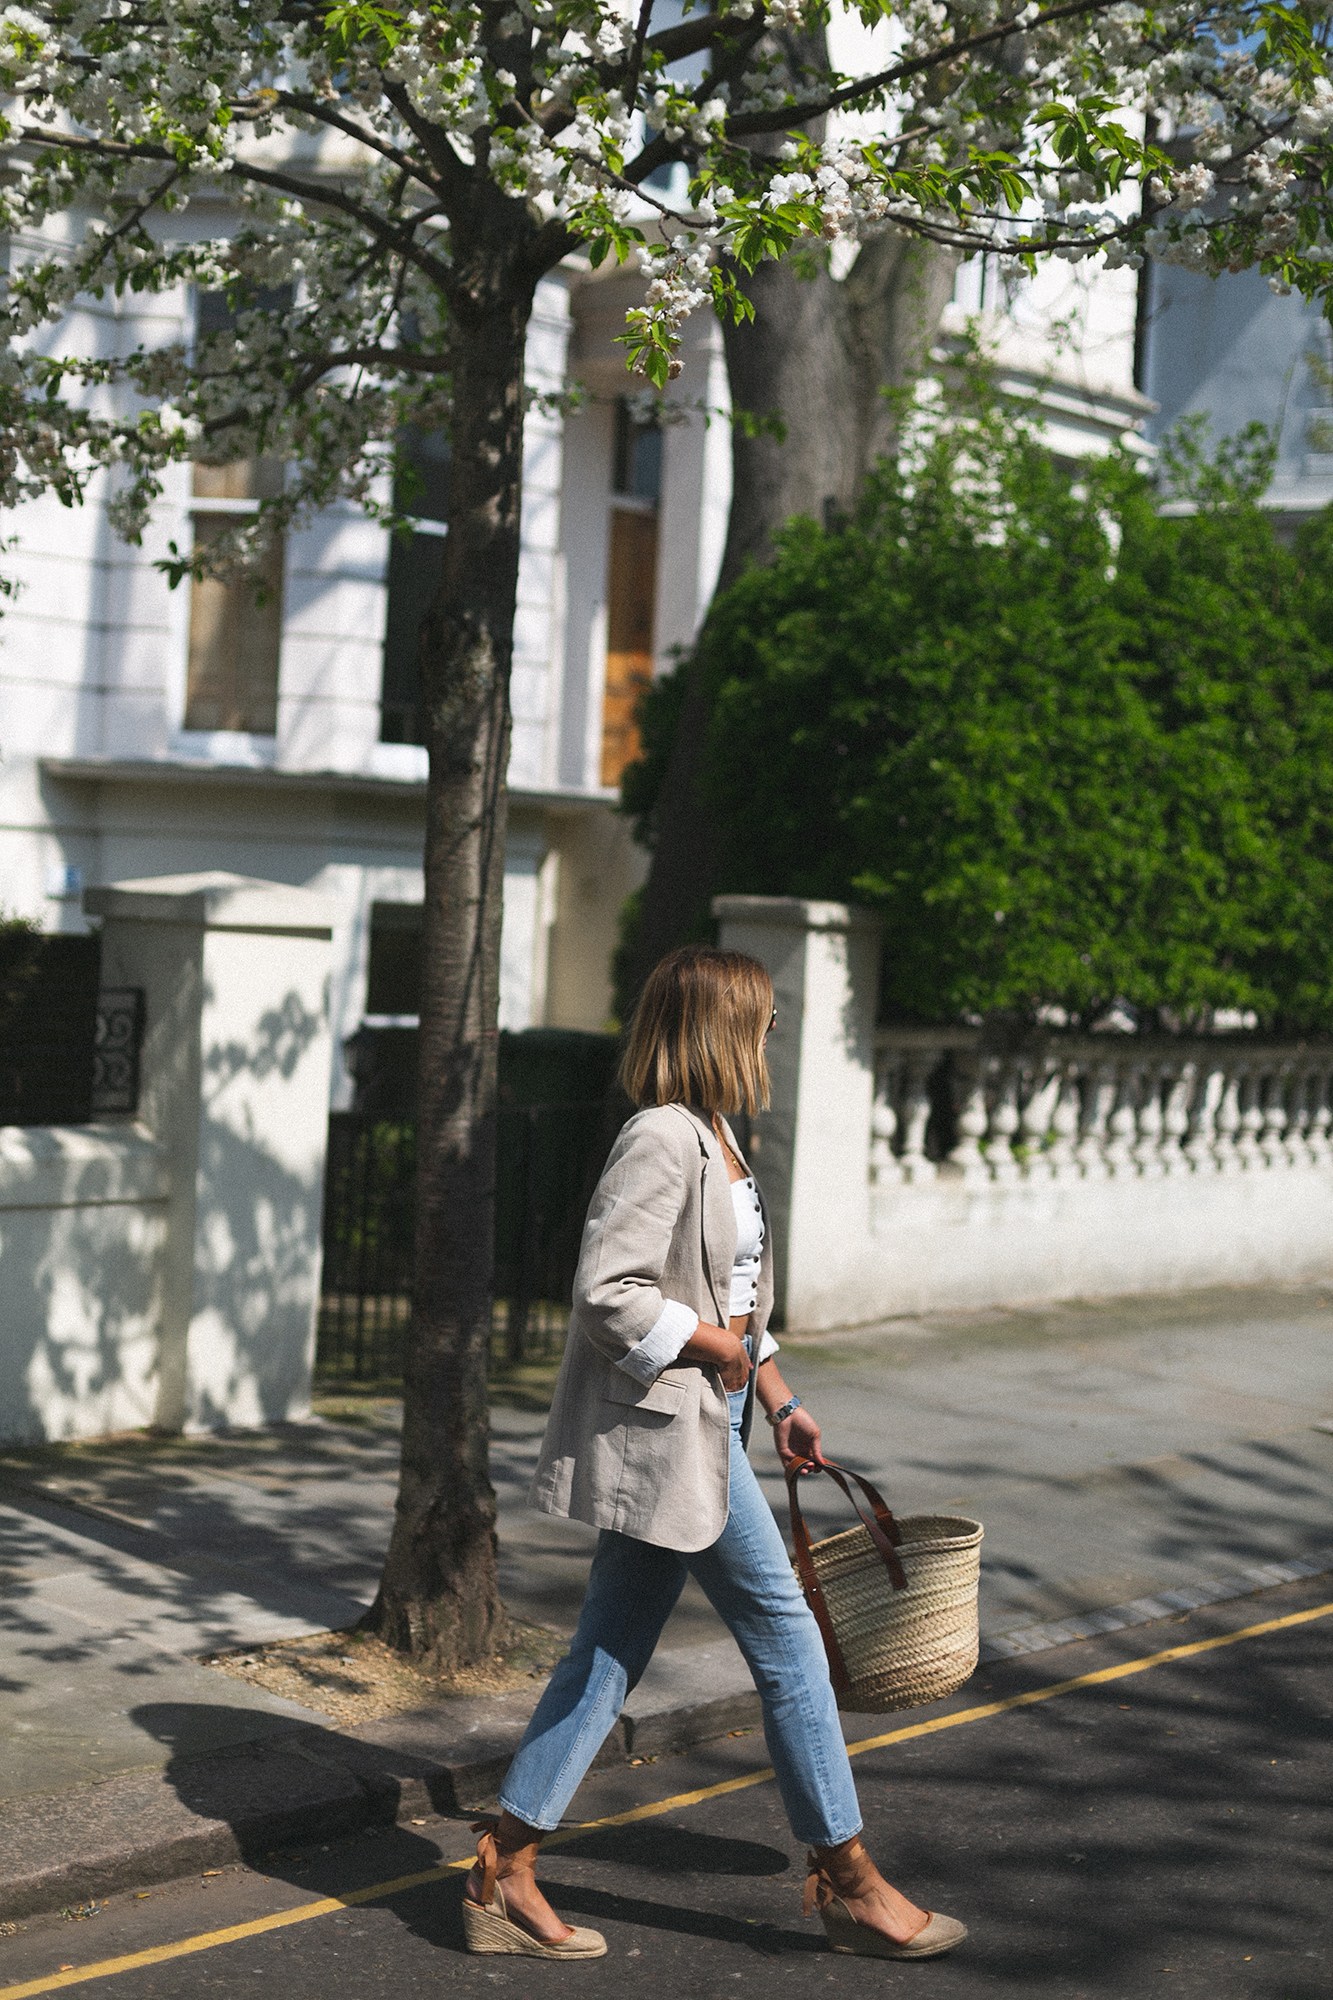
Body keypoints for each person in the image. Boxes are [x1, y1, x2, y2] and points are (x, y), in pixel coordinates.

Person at [462, 945, 967, 1965]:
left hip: (716, 1425)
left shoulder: (719, 1138)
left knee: (606, 1653)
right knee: (791, 1645)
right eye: (763, 1018)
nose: (773, 1034)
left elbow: (733, 1297)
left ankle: (501, 1866)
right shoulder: (660, 1136)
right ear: (720, 1027)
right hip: (675, 1433)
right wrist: (717, 1347)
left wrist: (777, 1393)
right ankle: (850, 1879)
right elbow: (611, 1290)